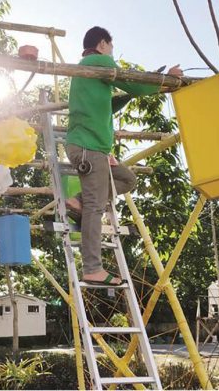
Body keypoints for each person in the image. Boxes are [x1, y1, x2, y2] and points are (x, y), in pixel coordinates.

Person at [65, 26, 183, 285]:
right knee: (95, 208)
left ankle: (78, 200)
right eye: (112, 47)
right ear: (103, 43)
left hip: (91, 148)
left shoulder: (86, 70)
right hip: (88, 147)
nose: (112, 53)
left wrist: (136, 92)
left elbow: (112, 101)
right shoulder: (99, 61)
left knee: (128, 180)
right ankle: (92, 268)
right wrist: (165, 80)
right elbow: (135, 83)